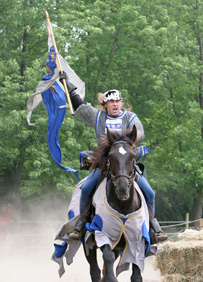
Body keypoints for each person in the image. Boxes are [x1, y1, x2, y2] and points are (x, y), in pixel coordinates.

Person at [59, 72, 167, 244]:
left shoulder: (130, 118)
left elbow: (140, 135)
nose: (115, 104)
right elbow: (79, 105)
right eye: (111, 102)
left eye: (118, 101)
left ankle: (154, 226)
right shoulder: (97, 116)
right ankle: (80, 224)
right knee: (86, 188)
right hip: (105, 163)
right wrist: (67, 84)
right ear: (106, 104)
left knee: (149, 192)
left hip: (127, 164)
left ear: (121, 103)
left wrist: (124, 141)